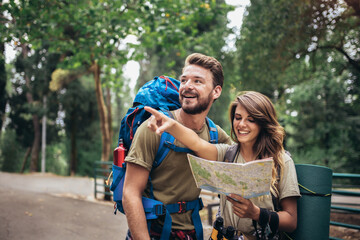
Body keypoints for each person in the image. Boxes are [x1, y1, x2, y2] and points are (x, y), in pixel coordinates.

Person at [145, 91, 301, 240]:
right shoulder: (227, 154)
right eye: (238, 118)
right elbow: (197, 143)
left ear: (263, 123)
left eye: (251, 120)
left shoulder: (281, 161)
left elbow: (291, 221)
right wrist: (170, 124)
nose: (241, 125)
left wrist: (256, 213)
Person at [122, 53, 233, 240]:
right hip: (152, 231)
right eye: (184, 80)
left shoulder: (215, 134)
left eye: (198, 81)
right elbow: (131, 192)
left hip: (191, 232)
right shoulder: (153, 127)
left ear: (216, 91)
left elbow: (243, 162)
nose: (187, 85)